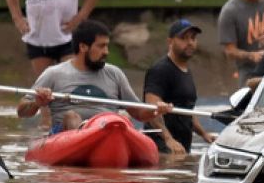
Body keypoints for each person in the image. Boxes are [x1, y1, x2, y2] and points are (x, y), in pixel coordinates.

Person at [17, 20, 172, 133]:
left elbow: (139, 113)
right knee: (71, 116)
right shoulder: (54, 73)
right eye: (101, 46)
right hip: (67, 133)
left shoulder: (115, 74)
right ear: (83, 47)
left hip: (107, 130)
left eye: (107, 46)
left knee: (124, 117)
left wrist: (156, 110)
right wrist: (37, 103)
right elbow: (22, 111)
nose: (106, 52)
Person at [142, 19, 218, 155]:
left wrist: (204, 134)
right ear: (170, 42)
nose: (190, 42)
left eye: (193, 38)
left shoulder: (185, 70)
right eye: (183, 38)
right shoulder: (160, 70)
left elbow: (187, 110)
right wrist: (169, 139)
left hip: (181, 148)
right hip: (161, 149)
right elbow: (152, 109)